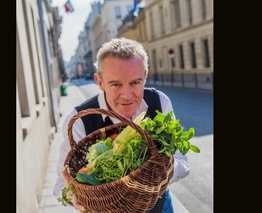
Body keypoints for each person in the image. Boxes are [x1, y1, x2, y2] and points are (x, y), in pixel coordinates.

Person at [53, 37, 189, 213]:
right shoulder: (80, 120)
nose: (127, 95)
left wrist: (154, 173)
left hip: (159, 208)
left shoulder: (159, 101)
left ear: (145, 76)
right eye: (116, 84)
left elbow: (182, 162)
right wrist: (74, 198)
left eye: (135, 82)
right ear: (99, 81)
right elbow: (60, 185)